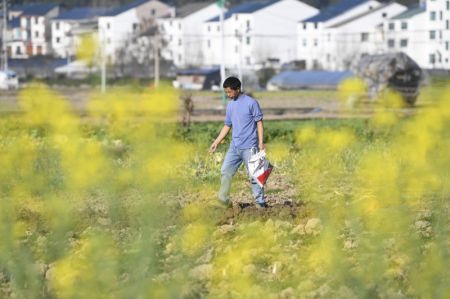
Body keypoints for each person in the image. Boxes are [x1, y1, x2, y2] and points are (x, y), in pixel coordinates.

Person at [209, 77, 268, 208]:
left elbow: (259, 123)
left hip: (250, 147)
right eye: (226, 92)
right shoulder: (230, 105)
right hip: (234, 147)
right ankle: (223, 200)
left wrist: (261, 143)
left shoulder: (251, 103)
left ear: (238, 89)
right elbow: (227, 125)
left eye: (229, 92)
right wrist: (216, 142)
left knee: (255, 175)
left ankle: (260, 203)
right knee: (225, 171)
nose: (228, 95)